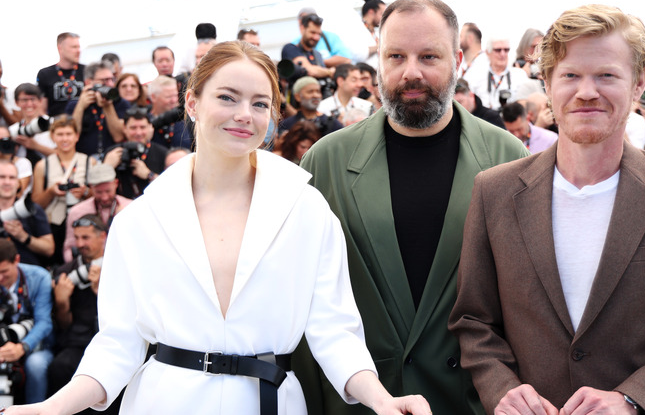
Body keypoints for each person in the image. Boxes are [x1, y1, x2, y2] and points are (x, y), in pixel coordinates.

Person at [3, 40, 430, 415]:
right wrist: (54, 407)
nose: (245, 115)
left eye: (261, 103)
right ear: (192, 102)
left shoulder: (306, 208)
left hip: (271, 403)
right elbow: (118, 344)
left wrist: (380, 399)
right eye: (227, 97)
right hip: (163, 404)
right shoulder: (140, 218)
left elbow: (335, 332)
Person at [448, 4, 645, 414]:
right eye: (570, 75)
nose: (586, 91)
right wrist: (501, 387)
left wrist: (635, 400)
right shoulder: (494, 192)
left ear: (640, 82)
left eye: (607, 75)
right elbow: (473, 322)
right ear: (548, 82)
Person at [294, 0, 527, 415]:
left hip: (470, 399)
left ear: (457, 59)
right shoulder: (325, 162)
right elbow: (302, 302)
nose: (411, 73)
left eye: (429, 56)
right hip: (360, 401)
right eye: (396, 56)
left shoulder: (508, 156)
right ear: (378, 59)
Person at [49, 215, 107, 402]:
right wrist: (62, 302)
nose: (80, 243)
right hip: (78, 342)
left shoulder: (121, 267)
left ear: (103, 237)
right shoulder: (65, 272)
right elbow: (64, 325)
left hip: (109, 339)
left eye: (86, 237)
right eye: (77, 238)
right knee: (60, 367)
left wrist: (101, 291)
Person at [31, 116, 91, 267]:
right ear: (52, 137)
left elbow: (97, 197)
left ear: (77, 136)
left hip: (81, 224)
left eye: (69, 134)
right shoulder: (42, 166)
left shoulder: (89, 162)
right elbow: (36, 204)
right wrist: (51, 192)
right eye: (60, 134)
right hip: (53, 225)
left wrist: (84, 192)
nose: (65, 139)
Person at [0, 238, 53, 404]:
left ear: (17, 259)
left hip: (36, 346)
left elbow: (44, 322)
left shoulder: (39, 277)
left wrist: (22, 347)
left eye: (4, 271)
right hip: (3, 344)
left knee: (36, 365)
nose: (0, 278)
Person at [61, 164, 131, 262]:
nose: (104, 197)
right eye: (98, 192)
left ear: (116, 183)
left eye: (108, 191)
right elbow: (69, 251)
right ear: (91, 187)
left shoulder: (130, 208)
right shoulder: (77, 212)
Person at [65, 61, 126, 158]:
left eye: (112, 79)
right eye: (104, 80)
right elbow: (70, 136)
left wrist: (108, 106)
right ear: (89, 82)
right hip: (84, 160)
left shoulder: (120, 103)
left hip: (113, 159)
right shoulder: (74, 105)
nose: (110, 84)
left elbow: (118, 137)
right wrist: (80, 106)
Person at [102, 110, 167, 200]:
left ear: (150, 128)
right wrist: (107, 167)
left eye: (142, 127)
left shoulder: (163, 153)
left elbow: (171, 188)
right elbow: (98, 189)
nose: (138, 133)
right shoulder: (113, 153)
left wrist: (149, 175)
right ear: (124, 129)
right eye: (133, 128)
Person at [0, 160, 53, 267]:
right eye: (2, 177)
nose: (7, 182)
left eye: (12, 178)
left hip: (28, 273)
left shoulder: (31, 209)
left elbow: (49, 248)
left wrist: (23, 236)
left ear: (18, 183)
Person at [36, 33, 85, 116]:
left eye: (79, 47)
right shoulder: (45, 74)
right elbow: (41, 108)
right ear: (60, 48)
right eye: (74, 47)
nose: (78, 51)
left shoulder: (87, 71)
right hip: (56, 125)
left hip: (83, 125)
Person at [278, 76, 343, 138]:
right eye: (310, 92)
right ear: (297, 97)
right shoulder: (287, 124)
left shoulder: (332, 124)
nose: (315, 95)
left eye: (318, 91)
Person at [10, 84, 55, 165]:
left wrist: (36, 146)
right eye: (24, 100)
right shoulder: (13, 130)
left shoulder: (53, 124)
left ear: (40, 101)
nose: (29, 104)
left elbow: (65, 155)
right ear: (16, 102)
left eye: (33, 99)